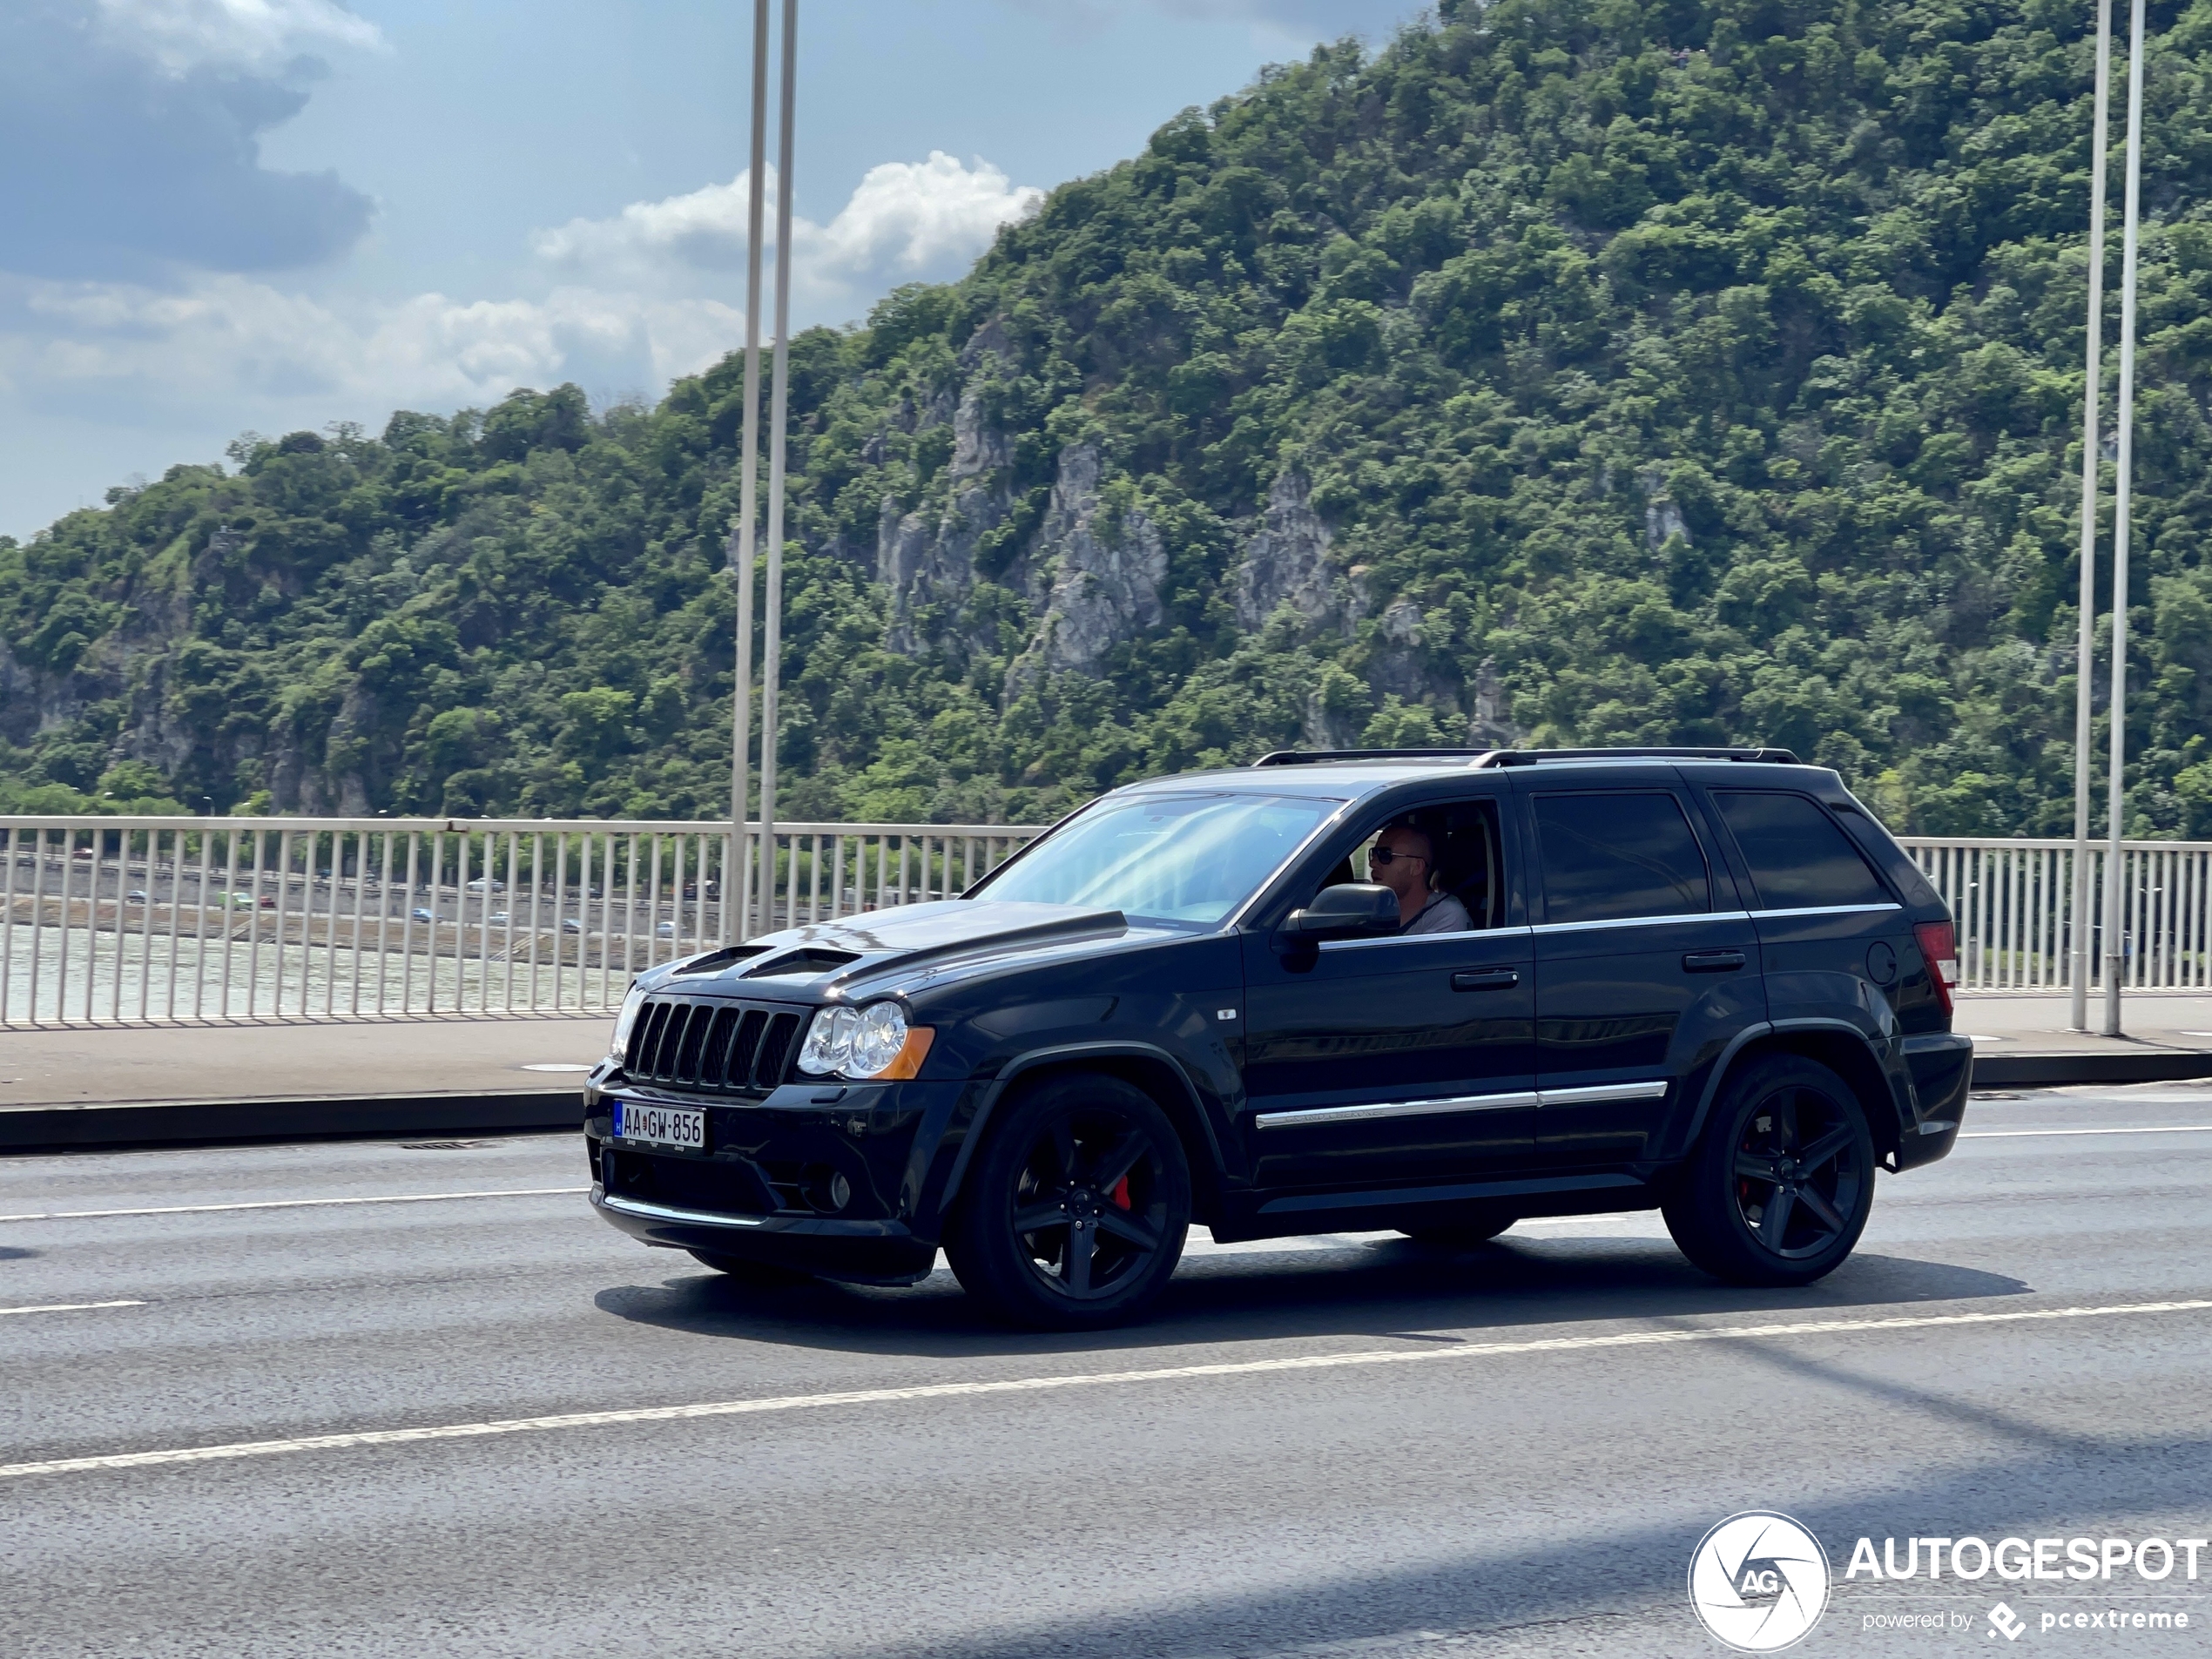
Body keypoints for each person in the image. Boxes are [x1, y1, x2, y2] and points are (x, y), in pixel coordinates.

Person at [1367, 820, 1472, 934]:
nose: (1372, 863)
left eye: (1385, 855)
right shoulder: (1373, 910)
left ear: (1417, 867)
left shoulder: (1447, 915)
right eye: (1374, 853)